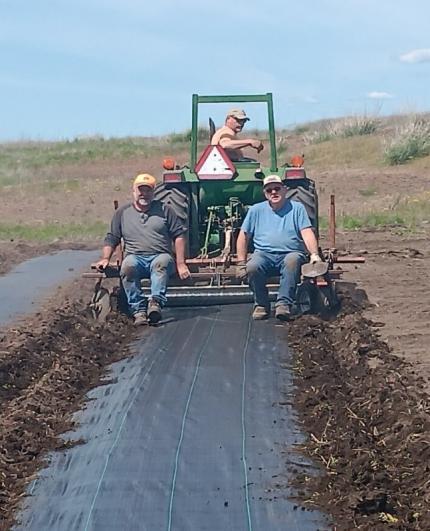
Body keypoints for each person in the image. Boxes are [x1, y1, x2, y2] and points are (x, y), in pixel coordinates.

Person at [95, 173, 191, 326]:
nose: (144, 194)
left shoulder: (165, 210)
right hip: (135, 257)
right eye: (141, 190)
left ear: (153, 192)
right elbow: (112, 237)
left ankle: (155, 303)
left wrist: (180, 263)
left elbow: (179, 235)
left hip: (160, 255)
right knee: (127, 266)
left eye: (148, 190)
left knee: (161, 264)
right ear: (134, 191)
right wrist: (105, 258)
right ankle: (138, 311)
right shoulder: (122, 213)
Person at [236, 175, 322, 321]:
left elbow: (307, 232)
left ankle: (283, 304)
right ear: (265, 193)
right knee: (253, 266)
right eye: (269, 190)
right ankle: (261, 305)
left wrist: (314, 254)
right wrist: (241, 262)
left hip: (291, 252)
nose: (274, 192)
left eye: (277, 188)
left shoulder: (297, 208)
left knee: (292, 261)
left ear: (284, 190)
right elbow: (243, 236)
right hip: (264, 254)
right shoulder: (256, 210)